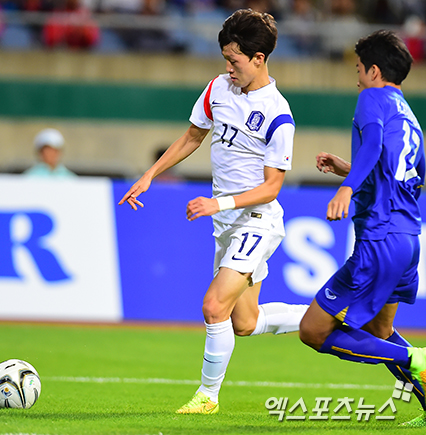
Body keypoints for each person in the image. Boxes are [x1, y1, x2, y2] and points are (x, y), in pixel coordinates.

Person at [119, 8, 308, 414]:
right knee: (244, 322)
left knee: (213, 306)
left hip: (256, 220)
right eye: (225, 59)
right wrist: (150, 174)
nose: (227, 68)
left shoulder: (278, 114)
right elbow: (193, 136)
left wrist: (216, 203)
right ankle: (327, 313)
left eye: (234, 61)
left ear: (258, 58)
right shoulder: (218, 89)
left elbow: (272, 187)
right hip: (226, 223)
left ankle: (207, 396)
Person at [299, 29, 426, 427]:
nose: (357, 78)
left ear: (373, 70)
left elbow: (372, 145)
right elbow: (411, 176)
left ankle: (415, 357)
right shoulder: (410, 117)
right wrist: (349, 170)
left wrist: (347, 187)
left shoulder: (372, 98)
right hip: (408, 239)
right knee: (380, 329)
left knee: (313, 331)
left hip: (380, 237)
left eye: (358, 69)